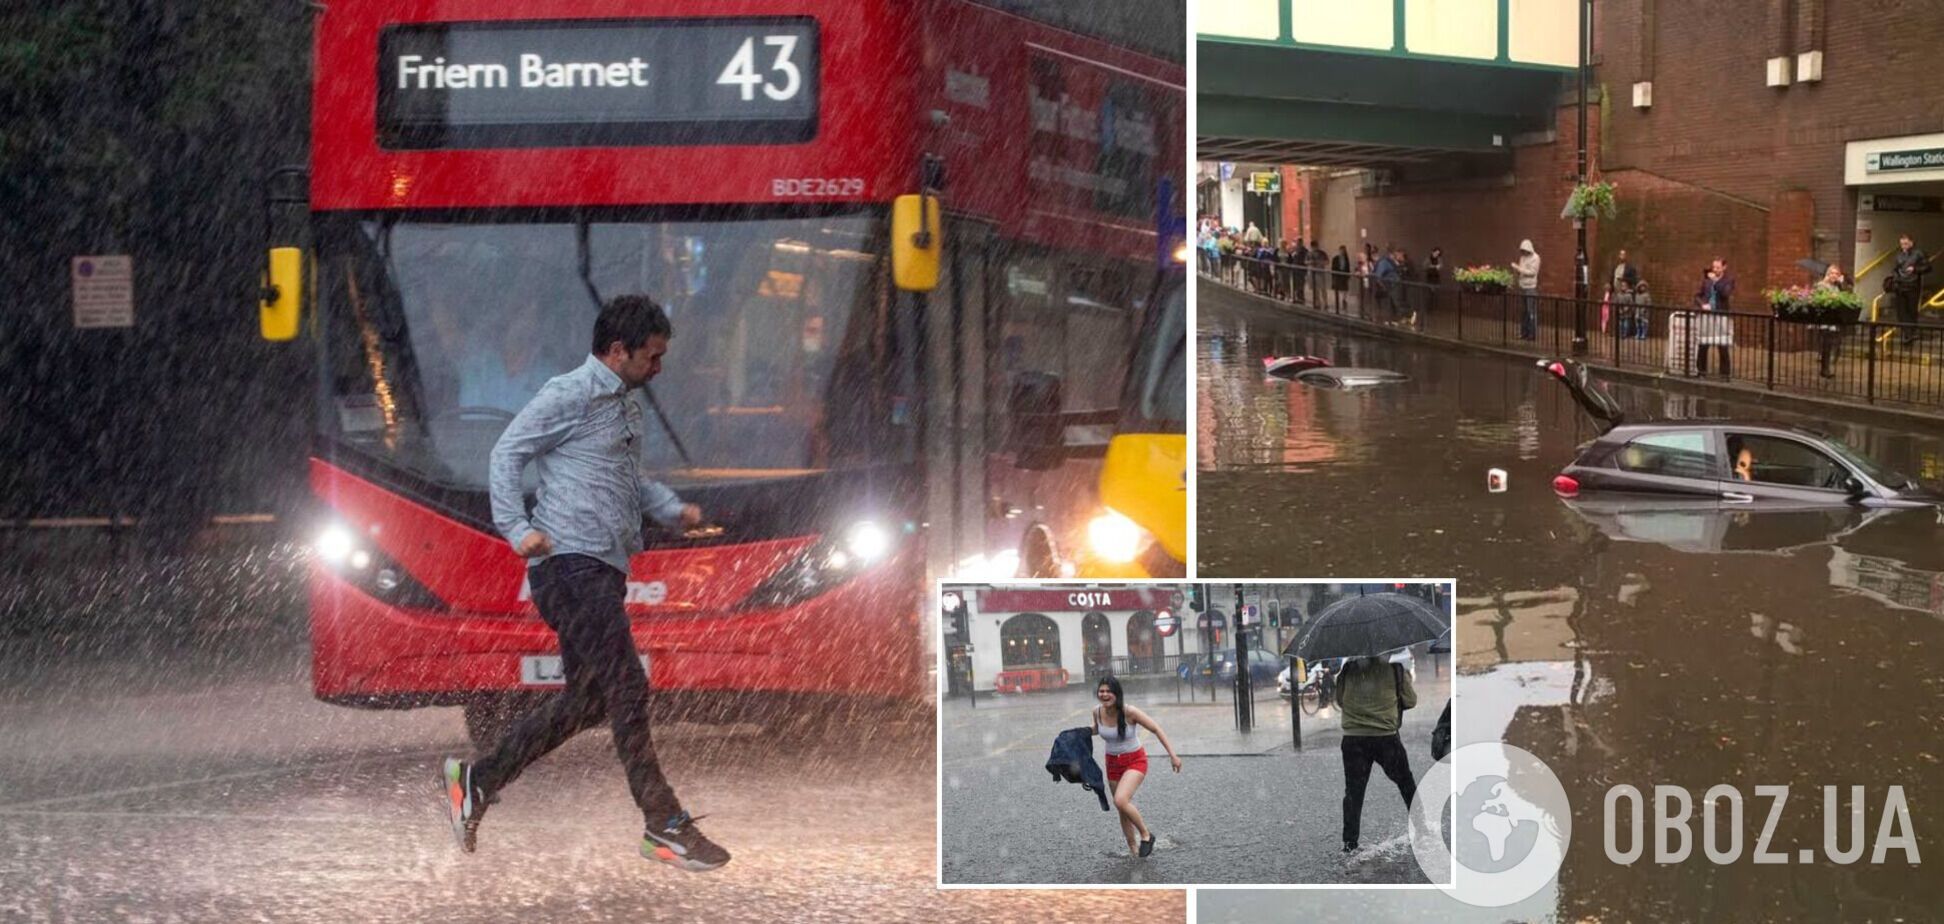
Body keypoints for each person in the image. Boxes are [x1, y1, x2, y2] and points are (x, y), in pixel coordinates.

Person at [445, 295, 730, 872]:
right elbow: (506, 455)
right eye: (652, 357)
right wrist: (517, 528)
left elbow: (626, 477)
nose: (659, 369)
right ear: (617, 350)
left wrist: (674, 511)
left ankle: (477, 780)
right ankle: (663, 823)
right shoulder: (568, 393)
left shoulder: (625, 406)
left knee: (588, 700)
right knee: (627, 684)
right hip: (567, 566)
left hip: (600, 567)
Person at [1091, 675, 1183, 858]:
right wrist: (1078, 734)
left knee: (1120, 800)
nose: (1104, 694)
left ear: (1117, 694)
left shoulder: (1129, 711)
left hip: (1135, 760)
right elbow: (1096, 729)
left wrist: (1173, 755)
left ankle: (1146, 835)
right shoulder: (1097, 712)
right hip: (1112, 763)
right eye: (1101, 691)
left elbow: (1155, 728)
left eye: (1109, 691)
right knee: (1122, 808)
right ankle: (1133, 849)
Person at [1337, 655, 1417, 853]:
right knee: (1406, 783)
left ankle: (1349, 842)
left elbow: (1340, 701)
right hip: (1385, 738)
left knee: (1354, 793)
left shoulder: (1347, 668)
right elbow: (1410, 700)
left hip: (1353, 738)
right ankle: (1423, 828)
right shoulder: (1396, 669)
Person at [1694, 259, 1735, 378]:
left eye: (1718, 267)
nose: (1715, 270)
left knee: (1722, 344)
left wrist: (1715, 282)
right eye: (1714, 267)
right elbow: (1697, 295)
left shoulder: (1728, 280)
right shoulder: (1706, 281)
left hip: (1721, 315)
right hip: (1706, 315)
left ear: (1724, 267)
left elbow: (1725, 294)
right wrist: (1702, 304)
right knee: (1703, 344)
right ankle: (1701, 372)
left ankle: (1724, 374)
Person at [1813, 263, 1852, 378]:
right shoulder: (1821, 285)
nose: (1834, 276)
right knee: (1826, 343)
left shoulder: (1837, 286)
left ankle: (1826, 368)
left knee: (1830, 344)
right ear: (1828, 274)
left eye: (1837, 274)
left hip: (1834, 318)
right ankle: (1825, 369)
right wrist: (1829, 297)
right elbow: (1818, 298)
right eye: (1832, 273)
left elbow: (1845, 295)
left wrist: (1842, 284)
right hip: (1825, 319)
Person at [1888, 233, 1932, 328]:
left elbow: (1928, 267)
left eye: (1906, 244)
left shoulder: (1919, 253)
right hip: (1900, 286)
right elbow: (1895, 269)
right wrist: (1895, 280)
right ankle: (1907, 332)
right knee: (1901, 312)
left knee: (1911, 310)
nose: (1904, 246)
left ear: (1911, 243)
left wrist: (1915, 269)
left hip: (1913, 285)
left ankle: (1911, 331)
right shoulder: (1899, 255)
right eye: (1902, 244)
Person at [1515, 240, 1541, 340]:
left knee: (1531, 312)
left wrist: (1519, 269)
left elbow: (1532, 272)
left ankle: (1532, 334)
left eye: (1525, 250)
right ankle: (1524, 332)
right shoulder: (1522, 257)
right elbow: (1522, 269)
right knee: (1524, 312)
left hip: (1531, 287)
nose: (1524, 252)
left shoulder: (1536, 258)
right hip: (1522, 286)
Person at [1331, 245, 1351, 310]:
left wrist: (1348, 275)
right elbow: (1333, 268)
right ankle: (1338, 301)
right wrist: (1333, 275)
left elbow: (1348, 267)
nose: (1342, 252)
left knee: (1345, 289)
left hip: (1344, 275)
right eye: (1341, 250)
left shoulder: (1346, 258)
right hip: (1338, 275)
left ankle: (1344, 300)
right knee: (1337, 289)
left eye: (1343, 251)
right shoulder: (1335, 258)